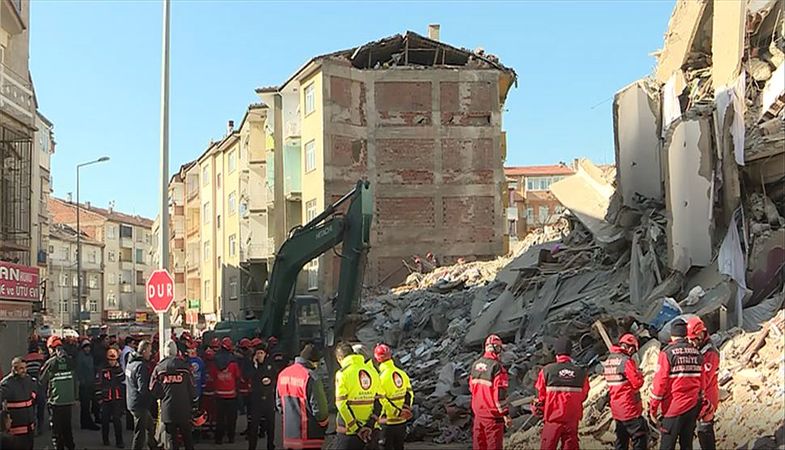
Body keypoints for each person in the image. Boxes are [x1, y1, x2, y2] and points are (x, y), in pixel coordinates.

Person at [650, 319, 704, 450]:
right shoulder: (697, 353)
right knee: (687, 445)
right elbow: (702, 382)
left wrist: (653, 407)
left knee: (667, 445)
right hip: (692, 407)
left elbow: (660, 383)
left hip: (673, 408)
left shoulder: (667, 353)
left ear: (672, 335)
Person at [533, 337, 589, 450]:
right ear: (570, 353)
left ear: (556, 353)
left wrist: (538, 409)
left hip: (553, 419)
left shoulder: (546, 371)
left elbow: (540, 396)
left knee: (548, 446)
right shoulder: (581, 373)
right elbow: (584, 395)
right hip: (572, 420)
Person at [276, 344, 328, 450]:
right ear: (314, 361)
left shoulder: (283, 374)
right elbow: (320, 412)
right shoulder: (311, 377)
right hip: (309, 437)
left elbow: (279, 405)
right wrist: (323, 425)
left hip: (289, 436)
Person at [602, 334, 647, 450]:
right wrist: (640, 375)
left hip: (617, 410)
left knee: (621, 442)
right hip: (630, 409)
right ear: (631, 348)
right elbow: (637, 383)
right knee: (639, 440)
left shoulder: (609, 360)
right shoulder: (626, 361)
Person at [334, 342, 382, 450]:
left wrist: (357, 429)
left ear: (340, 358)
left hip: (348, 432)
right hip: (371, 431)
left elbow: (341, 404)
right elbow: (379, 401)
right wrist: (369, 425)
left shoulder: (342, 374)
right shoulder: (373, 372)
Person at [150, 341, 196, 450]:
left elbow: (152, 388)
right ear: (176, 352)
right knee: (187, 438)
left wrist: (162, 396)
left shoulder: (159, 368)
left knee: (171, 439)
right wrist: (193, 404)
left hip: (167, 409)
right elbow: (192, 388)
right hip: (184, 408)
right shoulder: (185, 367)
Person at [470, 334, 511, 450]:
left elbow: (472, 389)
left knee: (479, 445)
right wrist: (506, 414)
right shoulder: (497, 368)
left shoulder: (475, 365)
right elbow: (499, 395)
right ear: (497, 349)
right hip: (493, 417)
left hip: (478, 414)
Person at [40, 335, 78, 450]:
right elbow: (75, 380)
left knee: (57, 430)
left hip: (55, 401)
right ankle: (71, 447)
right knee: (67, 428)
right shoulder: (70, 361)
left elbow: (42, 381)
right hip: (68, 400)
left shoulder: (50, 363)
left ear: (51, 348)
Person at [374, 344, 413, 450]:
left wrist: (395, 412)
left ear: (377, 359)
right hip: (402, 422)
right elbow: (409, 394)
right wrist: (404, 410)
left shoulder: (380, 378)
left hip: (387, 423)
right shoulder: (402, 374)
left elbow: (381, 400)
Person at [687, 317, 718, 450]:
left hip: (707, 398)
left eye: (694, 339)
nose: (691, 343)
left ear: (701, 334)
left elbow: (704, 379)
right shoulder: (700, 348)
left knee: (705, 431)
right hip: (698, 396)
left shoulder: (710, 353)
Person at [126, 340, 157, 450]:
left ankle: (153, 445)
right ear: (144, 351)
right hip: (139, 404)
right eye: (149, 351)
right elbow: (143, 388)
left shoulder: (130, 363)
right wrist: (153, 395)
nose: (150, 353)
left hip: (132, 400)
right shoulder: (141, 366)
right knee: (140, 433)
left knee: (150, 426)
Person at [0, 357, 37, 450]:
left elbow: (35, 390)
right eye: (21, 368)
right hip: (16, 429)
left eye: (25, 368)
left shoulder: (28, 379)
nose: (24, 371)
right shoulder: (7, 384)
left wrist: (33, 396)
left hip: (29, 427)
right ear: (14, 369)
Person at [246, 342, 277, 450]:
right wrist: (254, 366)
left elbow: (274, 377)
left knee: (270, 425)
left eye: (261, 353)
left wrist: (270, 381)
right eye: (257, 353)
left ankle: (270, 445)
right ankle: (252, 446)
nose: (259, 355)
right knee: (254, 425)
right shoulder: (252, 365)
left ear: (265, 354)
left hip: (268, 399)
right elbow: (248, 376)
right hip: (256, 400)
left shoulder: (270, 364)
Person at [214, 337, 242, 445]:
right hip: (231, 394)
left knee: (219, 418)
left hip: (219, 394)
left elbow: (213, 375)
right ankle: (231, 438)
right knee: (231, 418)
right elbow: (238, 376)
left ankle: (218, 439)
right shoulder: (233, 362)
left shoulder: (215, 360)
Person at [99, 348, 125, 448]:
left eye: (114, 360)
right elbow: (98, 383)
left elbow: (122, 378)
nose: (112, 362)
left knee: (117, 420)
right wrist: (99, 399)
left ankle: (119, 441)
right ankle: (105, 439)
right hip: (105, 399)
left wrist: (118, 368)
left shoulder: (118, 368)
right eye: (110, 360)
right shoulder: (103, 369)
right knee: (105, 421)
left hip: (116, 398)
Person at [75, 340, 100, 430]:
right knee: (85, 405)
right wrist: (83, 382)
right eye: (86, 347)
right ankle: (86, 422)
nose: (88, 348)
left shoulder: (90, 356)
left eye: (89, 347)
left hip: (91, 383)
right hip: (85, 385)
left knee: (87, 405)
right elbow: (79, 371)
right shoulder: (81, 357)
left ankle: (85, 422)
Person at [22, 342, 46, 434]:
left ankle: (32, 426)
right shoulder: (41, 358)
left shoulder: (25, 359)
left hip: (29, 385)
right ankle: (40, 426)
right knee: (41, 405)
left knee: (31, 406)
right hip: (39, 384)